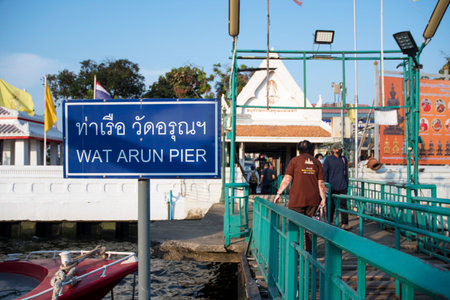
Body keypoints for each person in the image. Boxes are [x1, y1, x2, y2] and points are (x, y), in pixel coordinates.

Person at [274, 140, 326, 252]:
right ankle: (310, 252)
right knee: (310, 227)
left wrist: (278, 193)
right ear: (311, 149)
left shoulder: (295, 161)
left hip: (297, 200)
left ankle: (294, 250)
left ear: (298, 150)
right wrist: (323, 198)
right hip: (313, 200)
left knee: (294, 225)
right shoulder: (317, 162)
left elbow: (287, 179)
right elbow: (320, 183)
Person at [323, 142, 351, 230]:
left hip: (342, 185)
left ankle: (344, 223)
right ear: (334, 150)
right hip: (331, 186)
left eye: (341, 149)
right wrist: (325, 185)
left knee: (344, 205)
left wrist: (347, 183)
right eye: (338, 149)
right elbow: (325, 173)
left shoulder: (344, 159)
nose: (340, 151)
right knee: (330, 205)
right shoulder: (328, 159)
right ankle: (329, 222)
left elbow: (345, 172)